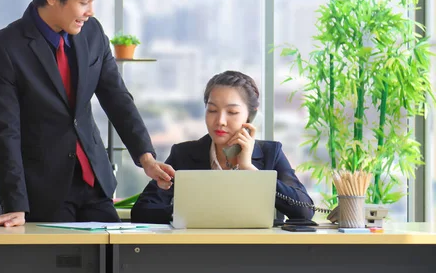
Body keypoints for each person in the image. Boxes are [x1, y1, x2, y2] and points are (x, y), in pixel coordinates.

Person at [0, 0, 175, 228]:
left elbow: (118, 99)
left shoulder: (92, 34)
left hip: (96, 183)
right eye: (84, 1)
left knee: (113, 265)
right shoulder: (4, 48)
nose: (91, 11)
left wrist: (146, 158)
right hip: (44, 192)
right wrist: (14, 204)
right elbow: (5, 132)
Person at [131, 70, 314, 224]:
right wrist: (185, 214)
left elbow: (305, 211)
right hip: (198, 254)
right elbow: (142, 210)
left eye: (232, 112)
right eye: (212, 110)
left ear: (250, 116)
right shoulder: (185, 154)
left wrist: (250, 170)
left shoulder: (270, 153)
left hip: (258, 254)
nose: (220, 121)